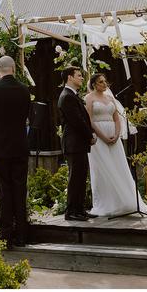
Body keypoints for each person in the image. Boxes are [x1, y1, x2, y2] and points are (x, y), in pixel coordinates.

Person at [0, 55, 32, 248]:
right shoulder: (24, 90)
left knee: (4, 191)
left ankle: (6, 234)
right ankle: (22, 234)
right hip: (19, 146)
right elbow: (28, 115)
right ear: (14, 69)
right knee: (20, 189)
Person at [85, 73, 147, 216]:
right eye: (101, 82)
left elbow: (117, 119)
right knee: (103, 169)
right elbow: (89, 120)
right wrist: (103, 137)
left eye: (105, 81)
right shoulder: (89, 98)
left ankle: (126, 200)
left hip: (114, 136)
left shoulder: (110, 98)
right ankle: (107, 203)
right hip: (99, 136)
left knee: (119, 166)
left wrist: (117, 134)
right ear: (94, 84)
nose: (104, 84)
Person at [58, 66, 97, 222]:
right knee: (75, 178)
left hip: (78, 143)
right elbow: (77, 121)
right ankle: (72, 211)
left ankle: (80, 209)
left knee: (81, 177)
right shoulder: (67, 96)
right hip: (73, 143)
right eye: (79, 75)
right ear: (69, 77)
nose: (82, 78)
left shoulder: (72, 95)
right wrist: (90, 135)